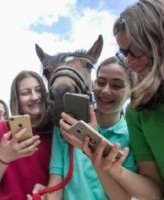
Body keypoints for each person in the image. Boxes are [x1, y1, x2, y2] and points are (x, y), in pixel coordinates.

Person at [61, 0, 164, 199]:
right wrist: (111, 167)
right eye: (123, 53)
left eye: (134, 50)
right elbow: (155, 191)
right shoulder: (139, 112)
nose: (129, 61)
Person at [29, 56, 137, 199]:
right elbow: (56, 178)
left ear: (131, 90)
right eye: (101, 82)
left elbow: (124, 198)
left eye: (116, 85)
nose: (105, 91)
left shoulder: (131, 136)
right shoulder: (67, 125)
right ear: (93, 84)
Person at [0, 70, 53, 199]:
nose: (35, 97)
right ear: (16, 99)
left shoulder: (55, 133)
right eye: (25, 93)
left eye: (38, 90)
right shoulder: (1, 129)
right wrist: (3, 158)